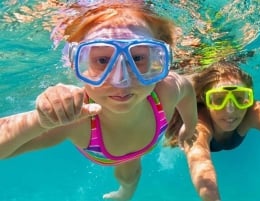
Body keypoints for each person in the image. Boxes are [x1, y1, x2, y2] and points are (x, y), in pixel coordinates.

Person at [0, 1, 198, 201]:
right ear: (77, 64)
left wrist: (189, 127)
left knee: (131, 174)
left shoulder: (167, 89)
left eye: (138, 58)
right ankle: (126, 192)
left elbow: (188, 91)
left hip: (139, 147)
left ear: (158, 58)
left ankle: (126, 193)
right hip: (105, 150)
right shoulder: (76, 117)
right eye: (103, 61)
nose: (122, 80)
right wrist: (41, 121)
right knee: (128, 173)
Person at [165, 61, 260, 201]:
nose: (230, 110)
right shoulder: (197, 126)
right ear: (205, 100)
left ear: (249, 99)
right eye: (218, 100)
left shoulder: (253, 112)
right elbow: (202, 170)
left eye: (240, 98)